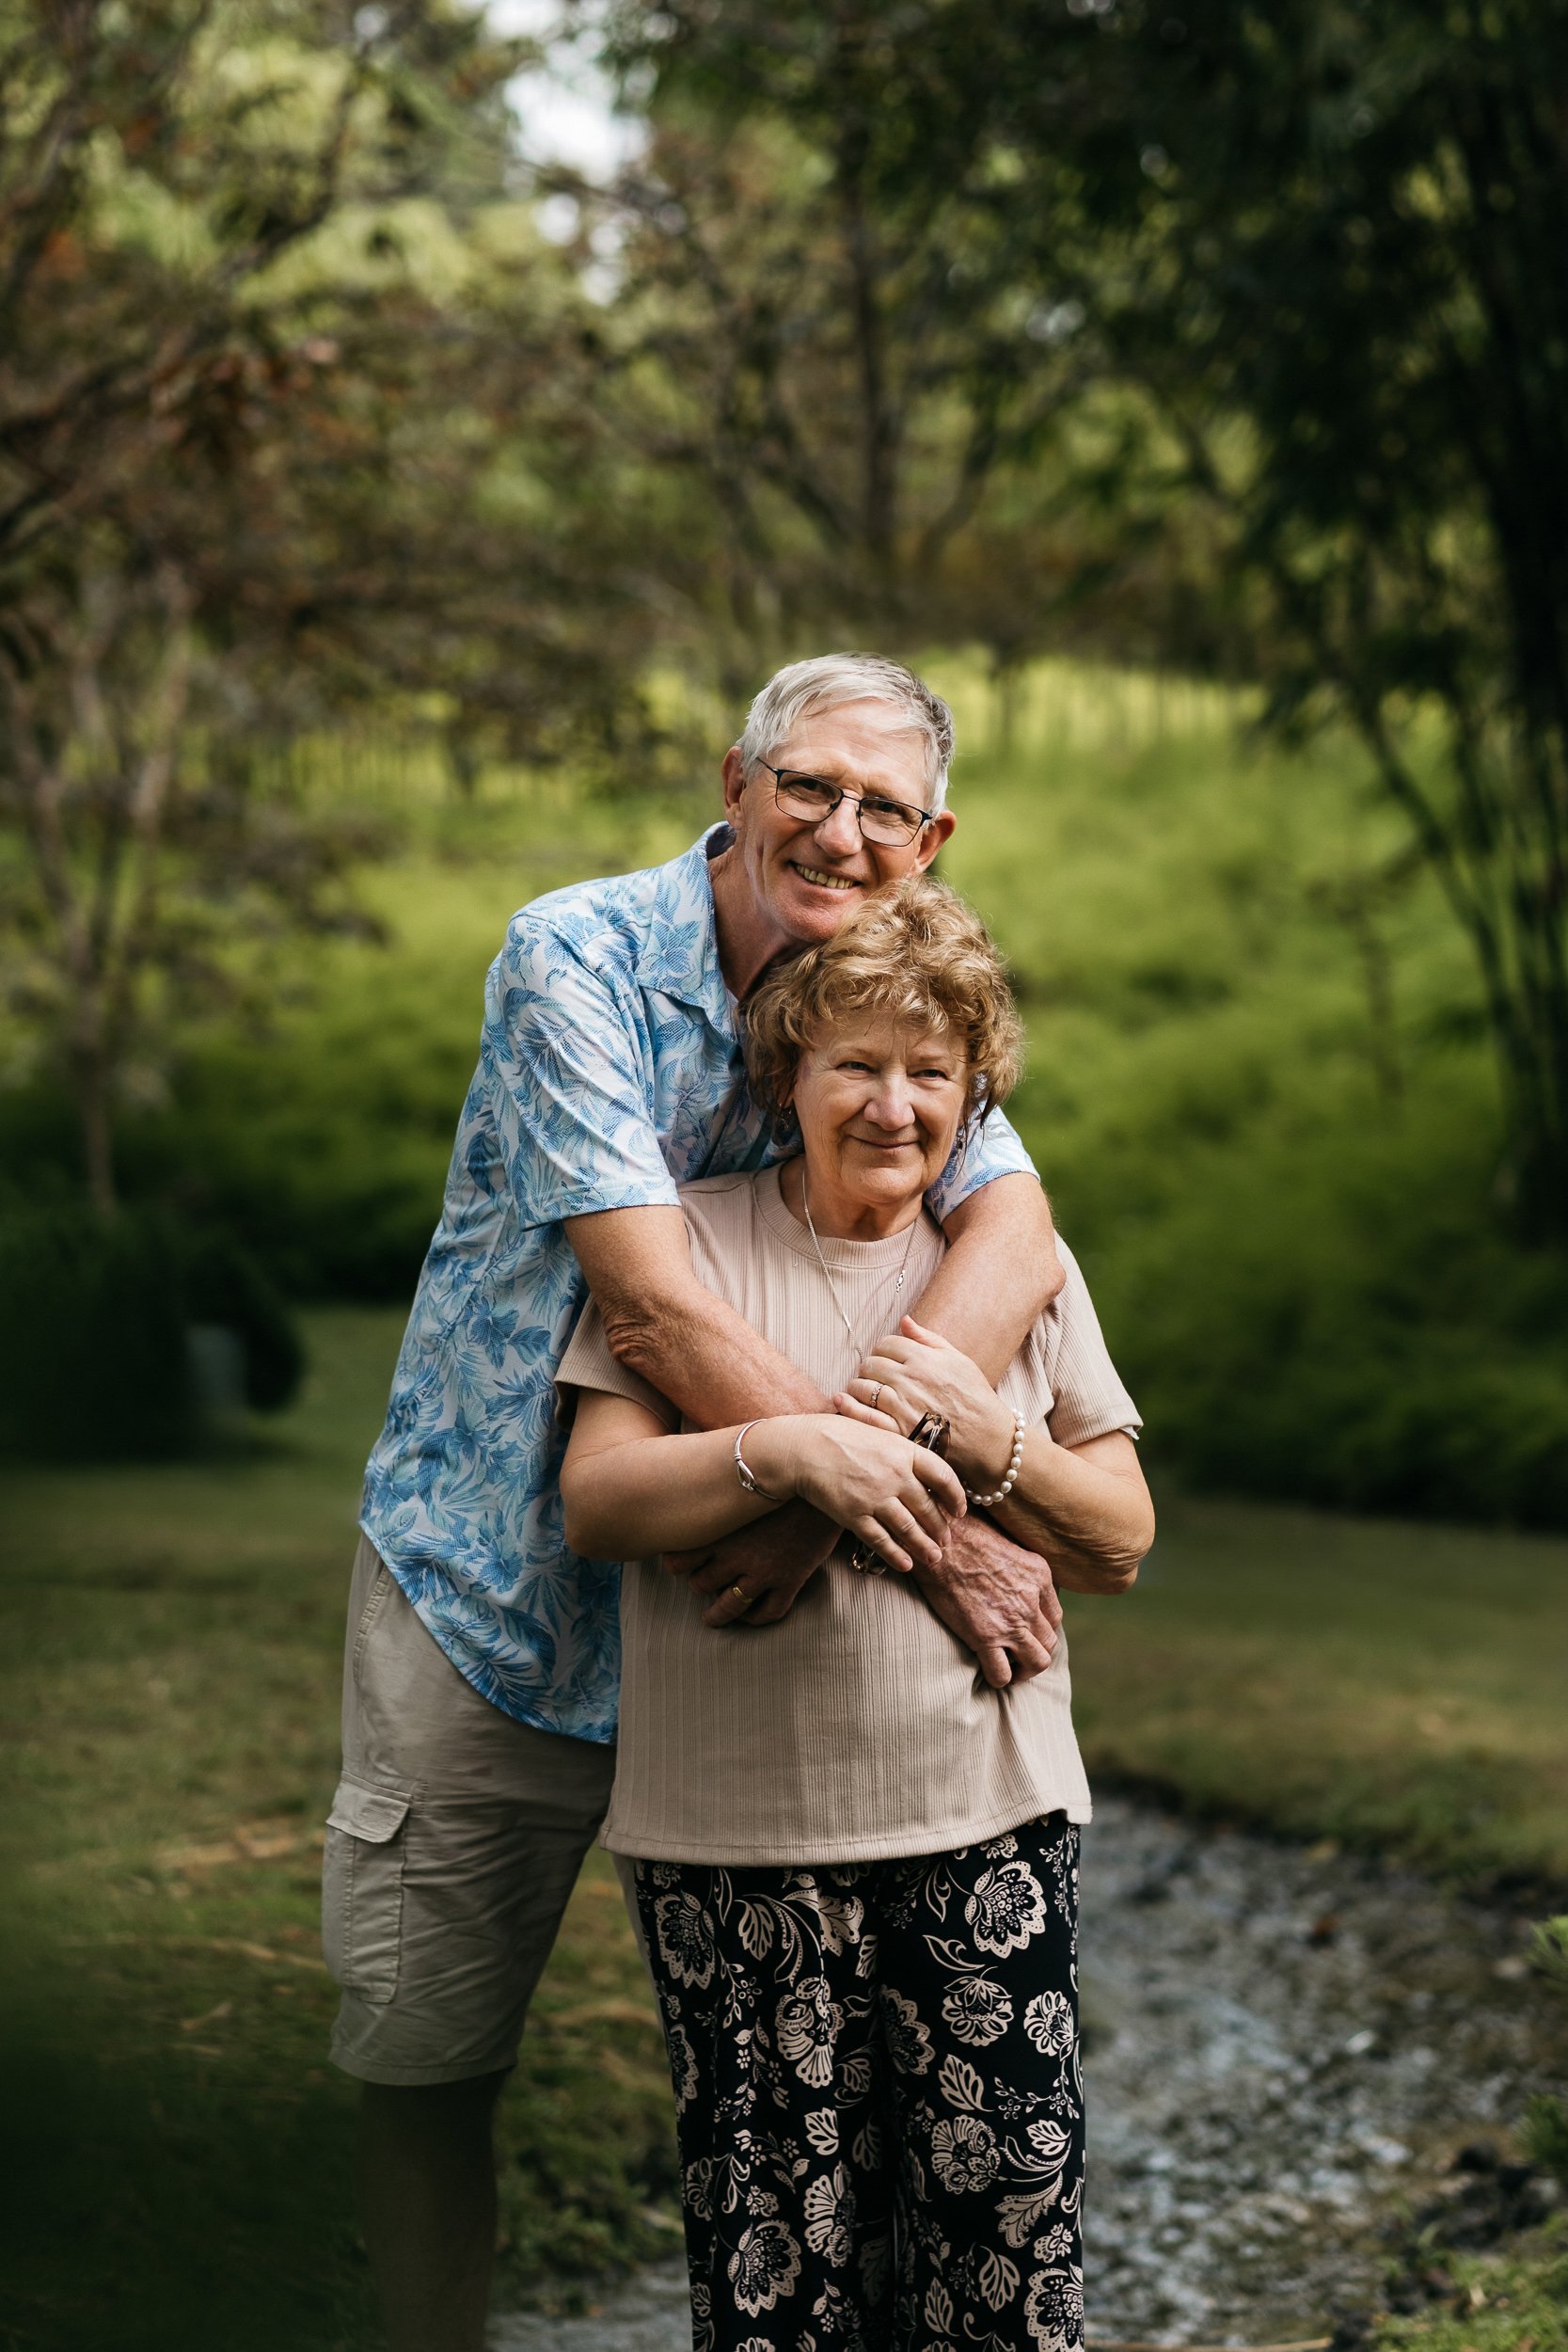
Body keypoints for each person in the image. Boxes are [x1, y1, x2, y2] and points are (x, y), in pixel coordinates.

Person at [323, 654, 1069, 2352]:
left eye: (886, 806)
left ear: (933, 839)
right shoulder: (576, 956)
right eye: (808, 783)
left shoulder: (891, 998)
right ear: (734, 778)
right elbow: (650, 1304)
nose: (839, 828)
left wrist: (829, 1495)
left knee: (796, 2105)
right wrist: (934, 1524)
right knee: (429, 2057)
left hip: (751, 1624)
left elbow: (1017, 1233)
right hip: (498, 1602)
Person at [558, 875, 1154, 2352]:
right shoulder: (680, 1250)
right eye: (857, 1066)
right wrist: (790, 1457)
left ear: (975, 1095)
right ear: (788, 1075)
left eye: (933, 1073)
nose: (895, 1105)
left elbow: (1123, 1537)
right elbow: (603, 1504)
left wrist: (983, 1439)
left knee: (1001, 2273)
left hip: (985, 1828)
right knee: (777, 2292)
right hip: (731, 1851)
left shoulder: (1015, 1274)